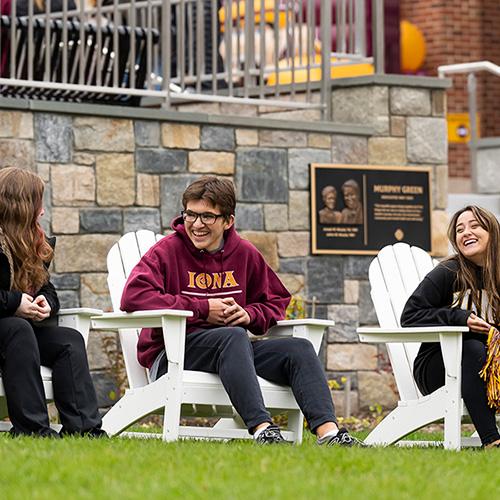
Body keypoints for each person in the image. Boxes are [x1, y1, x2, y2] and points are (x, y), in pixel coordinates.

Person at [121, 176, 364, 446]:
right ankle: (263, 430)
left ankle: (330, 434)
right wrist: (202, 309)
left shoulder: (245, 254)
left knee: (300, 349)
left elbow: (277, 300)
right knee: (233, 336)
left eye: (207, 217)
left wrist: (249, 315)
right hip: (173, 355)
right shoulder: (166, 251)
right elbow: (134, 296)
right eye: (190, 214)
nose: (197, 224)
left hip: (234, 355)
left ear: (228, 221)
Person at [0, 167, 105, 438]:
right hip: (10, 332)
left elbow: (48, 289)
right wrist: (14, 303)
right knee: (17, 329)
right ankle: (33, 429)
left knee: (68, 340)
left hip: (18, 337)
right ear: (21, 206)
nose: (43, 211)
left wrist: (45, 302)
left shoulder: (36, 243)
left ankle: (84, 429)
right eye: (39, 203)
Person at [401, 205, 500, 449]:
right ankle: (491, 440)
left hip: (490, 368)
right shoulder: (447, 272)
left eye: (474, 226)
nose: (466, 232)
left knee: (479, 350)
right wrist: (458, 318)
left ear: (493, 232)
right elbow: (410, 316)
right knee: (473, 347)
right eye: (459, 229)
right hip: (437, 368)